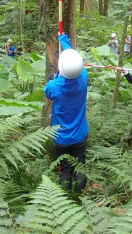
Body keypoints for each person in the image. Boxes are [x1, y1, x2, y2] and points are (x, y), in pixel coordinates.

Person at [43, 33, 89, 193]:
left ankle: (66, 200)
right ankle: (79, 196)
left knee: (65, 169)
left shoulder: (53, 86)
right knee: (80, 166)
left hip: (60, 137)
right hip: (79, 135)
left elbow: (48, 92)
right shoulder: (83, 77)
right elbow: (73, 64)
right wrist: (65, 41)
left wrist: (57, 75)